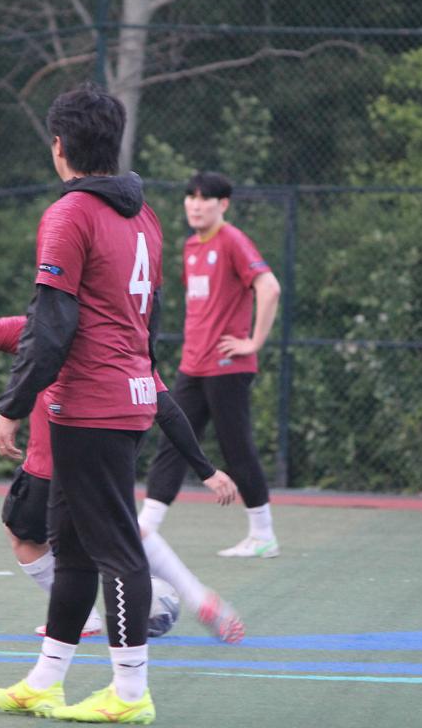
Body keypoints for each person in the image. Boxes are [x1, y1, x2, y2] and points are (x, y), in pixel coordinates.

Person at [0, 294, 245, 646]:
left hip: (49, 470)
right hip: (105, 463)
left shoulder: (32, 330)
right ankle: (197, 596)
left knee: (24, 537)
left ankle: (83, 621)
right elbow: (166, 408)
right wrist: (206, 470)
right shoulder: (122, 342)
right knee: (126, 531)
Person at [0, 81, 163, 723]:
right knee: (73, 548)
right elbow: (149, 322)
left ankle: (130, 693)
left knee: (115, 550)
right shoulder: (144, 216)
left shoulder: (70, 214)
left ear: (59, 146)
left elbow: (52, 322)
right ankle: (47, 679)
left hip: (93, 403)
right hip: (113, 397)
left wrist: (13, 403)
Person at [140, 171, 283, 559]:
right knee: (173, 442)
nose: (195, 205)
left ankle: (263, 535)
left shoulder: (232, 240)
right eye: (191, 197)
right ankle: (144, 529)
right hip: (194, 364)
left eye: (205, 198)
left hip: (227, 366)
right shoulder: (190, 247)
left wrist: (253, 342)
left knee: (237, 448)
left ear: (224, 204)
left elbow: (269, 287)